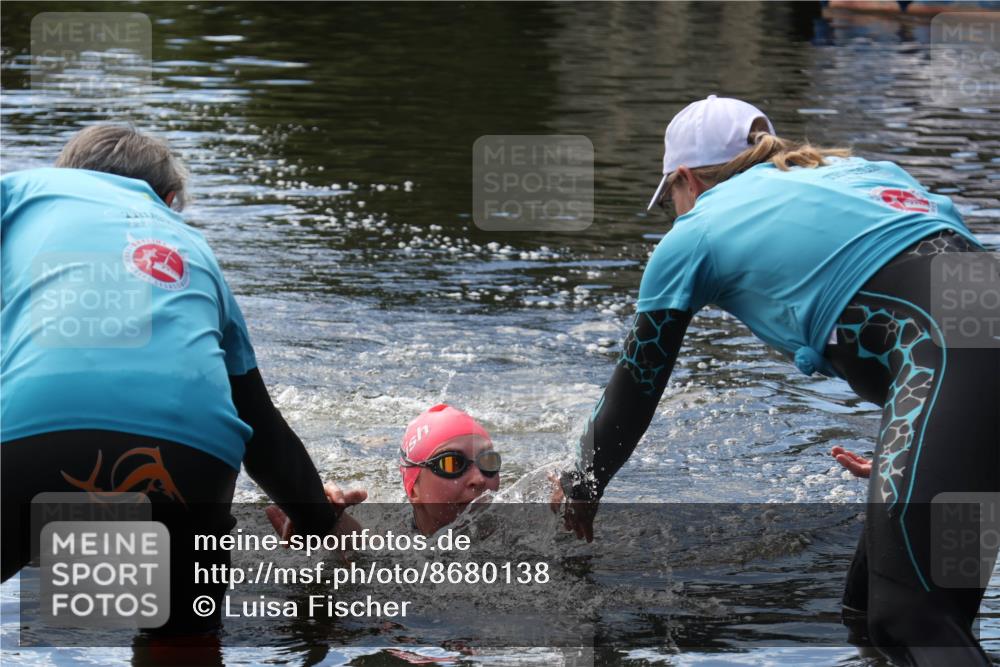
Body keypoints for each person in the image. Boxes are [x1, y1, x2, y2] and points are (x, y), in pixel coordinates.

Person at [549, 95, 998, 665]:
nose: (675, 212)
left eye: (673, 199)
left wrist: (580, 485)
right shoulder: (865, 173)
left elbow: (635, 387)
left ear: (685, 179)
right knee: (866, 610)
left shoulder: (698, 231)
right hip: (961, 371)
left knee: (912, 622)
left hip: (954, 367)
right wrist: (931, 439)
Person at [0, 125, 365, 637]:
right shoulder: (195, 250)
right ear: (169, 201)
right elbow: (258, 422)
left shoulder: (23, 193)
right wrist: (321, 523)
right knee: (181, 644)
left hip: (35, 430)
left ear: (65, 177)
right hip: (191, 457)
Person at [267, 403, 501, 538]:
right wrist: (324, 519)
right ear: (414, 488)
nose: (479, 479)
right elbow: (358, 547)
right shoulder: (392, 541)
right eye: (452, 464)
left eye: (488, 462)